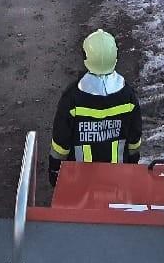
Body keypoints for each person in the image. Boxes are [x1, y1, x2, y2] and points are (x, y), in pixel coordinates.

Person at [48, 30, 142, 187]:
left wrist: (55, 171)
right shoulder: (128, 96)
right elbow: (134, 140)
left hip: (79, 182)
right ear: (115, 57)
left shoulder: (72, 98)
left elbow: (60, 143)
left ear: (86, 58)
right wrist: (132, 165)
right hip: (118, 180)